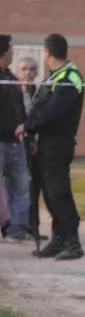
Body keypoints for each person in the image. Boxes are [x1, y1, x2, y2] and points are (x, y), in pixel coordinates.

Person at [17, 34, 85, 260]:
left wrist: (27, 125)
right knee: (49, 194)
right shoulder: (55, 77)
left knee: (59, 193)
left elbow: (53, 111)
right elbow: (40, 108)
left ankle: (73, 243)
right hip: (45, 144)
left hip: (59, 144)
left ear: (47, 53)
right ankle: (58, 240)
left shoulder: (69, 78)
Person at [0, 34, 31, 243]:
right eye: (10, 50)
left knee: (20, 187)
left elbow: (20, 110)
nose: (12, 53)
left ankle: (16, 229)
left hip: (16, 142)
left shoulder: (11, 79)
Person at [16, 56, 45, 242]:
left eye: (32, 69)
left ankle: (33, 227)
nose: (28, 72)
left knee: (34, 186)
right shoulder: (12, 92)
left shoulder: (39, 93)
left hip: (35, 143)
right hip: (17, 142)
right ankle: (16, 227)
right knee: (18, 186)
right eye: (24, 69)